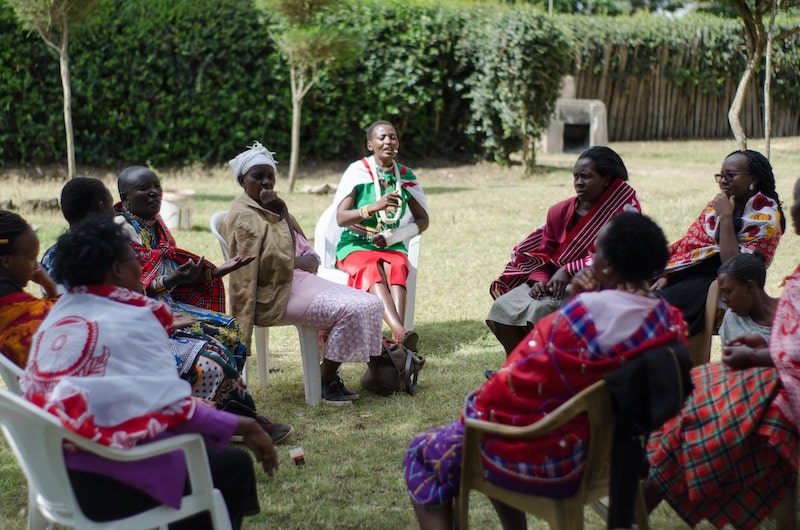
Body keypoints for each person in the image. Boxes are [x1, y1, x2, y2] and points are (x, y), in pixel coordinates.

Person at [404, 212, 686, 530]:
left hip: (554, 458)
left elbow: (511, 385)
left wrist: (474, 406)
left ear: (607, 266)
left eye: (597, 252)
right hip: (613, 453)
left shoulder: (582, 316)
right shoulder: (670, 319)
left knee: (423, 453)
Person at [21, 217, 278, 530]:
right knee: (233, 465)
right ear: (117, 268)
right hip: (106, 483)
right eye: (134, 259)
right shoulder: (133, 321)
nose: (140, 267)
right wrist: (243, 424)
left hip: (52, 474)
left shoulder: (57, 318)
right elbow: (175, 412)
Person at [42, 178, 288, 440]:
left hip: (107, 338)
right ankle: (239, 423)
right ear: (103, 206)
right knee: (210, 359)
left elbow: (132, 296)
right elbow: (125, 304)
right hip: (116, 347)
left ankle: (220, 416)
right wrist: (160, 322)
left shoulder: (51, 256)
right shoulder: (107, 250)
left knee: (218, 339)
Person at [644, 187, 800, 529]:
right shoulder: (783, 287)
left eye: (797, 204)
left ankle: (654, 487)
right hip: (776, 371)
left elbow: (791, 350)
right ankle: (655, 479)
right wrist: (762, 351)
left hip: (784, 383)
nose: (794, 212)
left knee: (705, 403)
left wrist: (761, 356)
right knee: (697, 386)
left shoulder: (761, 220)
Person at [222, 142, 384, 406]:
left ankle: (329, 375)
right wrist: (297, 262)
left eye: (269, 176)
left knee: (372, 303)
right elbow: (252, 266)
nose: (265, 182)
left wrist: (283, 211)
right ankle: (325, 376)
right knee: (353, 309)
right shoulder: (243, 216)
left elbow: (301, 247)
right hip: (272, 293)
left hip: (301, 282)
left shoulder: (272, 207)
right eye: (257, 176)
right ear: (242, 181)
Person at [486, 146, 641, 354]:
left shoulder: (624, 209)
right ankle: (516, 365)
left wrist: (568, 269)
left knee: (540, 310)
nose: (578, 182)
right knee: (502, 306)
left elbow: (619, 255)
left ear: (606, 179)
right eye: (575, 176)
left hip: (597, 282)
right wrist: (539, 279)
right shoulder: (560, 211)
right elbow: (543, 254)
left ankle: (545, 370)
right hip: (551, 281)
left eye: (586, 177)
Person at [115, 166, 253, 361]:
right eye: (144, 188)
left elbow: (170, 272)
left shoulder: (156, 225)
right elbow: (131, 291)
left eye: (157, 186)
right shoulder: (122, 230)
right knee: (217, 340)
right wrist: (171, 280)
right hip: (141, 314)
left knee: (231, 327)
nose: (154, 192)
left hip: (168, 304)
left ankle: (225, 389)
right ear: (125, 197)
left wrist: (213, 273)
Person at [651, 149, 784, 338]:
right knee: (636, 286)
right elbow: (689, 247)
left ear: (753, 179)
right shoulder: (715, 207)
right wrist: (670, 274)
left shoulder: (766, 218)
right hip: (689, 274)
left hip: (717, 285)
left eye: (730, 175)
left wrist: (726, 217)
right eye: (720, 176)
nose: (723, 181)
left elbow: (735, 269)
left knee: (654, 305)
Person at [330, 120, 429, 352]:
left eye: (392, 137)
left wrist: (395, 236)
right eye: (381, 137)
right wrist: (373, 207)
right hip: (355, 245)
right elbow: (341, 218)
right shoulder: (357, 172)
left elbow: (423, 220)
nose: (388, 142)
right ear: (370, 144)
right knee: (371, 267)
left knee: (397, 263)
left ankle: (399, 336)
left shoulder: (405, 175)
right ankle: (400, 332)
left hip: (390, 245)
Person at [0, 211, 58, 367]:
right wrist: (51, 288)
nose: (36, 265)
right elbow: (68, 322)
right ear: (6, 261)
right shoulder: (28, 314)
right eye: (32, 257)